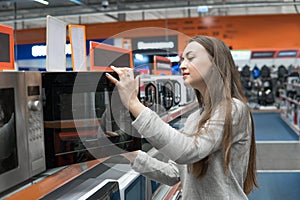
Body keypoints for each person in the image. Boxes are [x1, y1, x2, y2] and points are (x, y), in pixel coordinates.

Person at [106, 35, 258, 199]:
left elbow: (188, 151)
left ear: (215, 63)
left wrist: (133, 103)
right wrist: (128, 152)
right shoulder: (195, 118)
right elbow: (173, 173)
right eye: (182, 60)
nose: (182, 65)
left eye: (191, 58)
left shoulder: (233, 109)